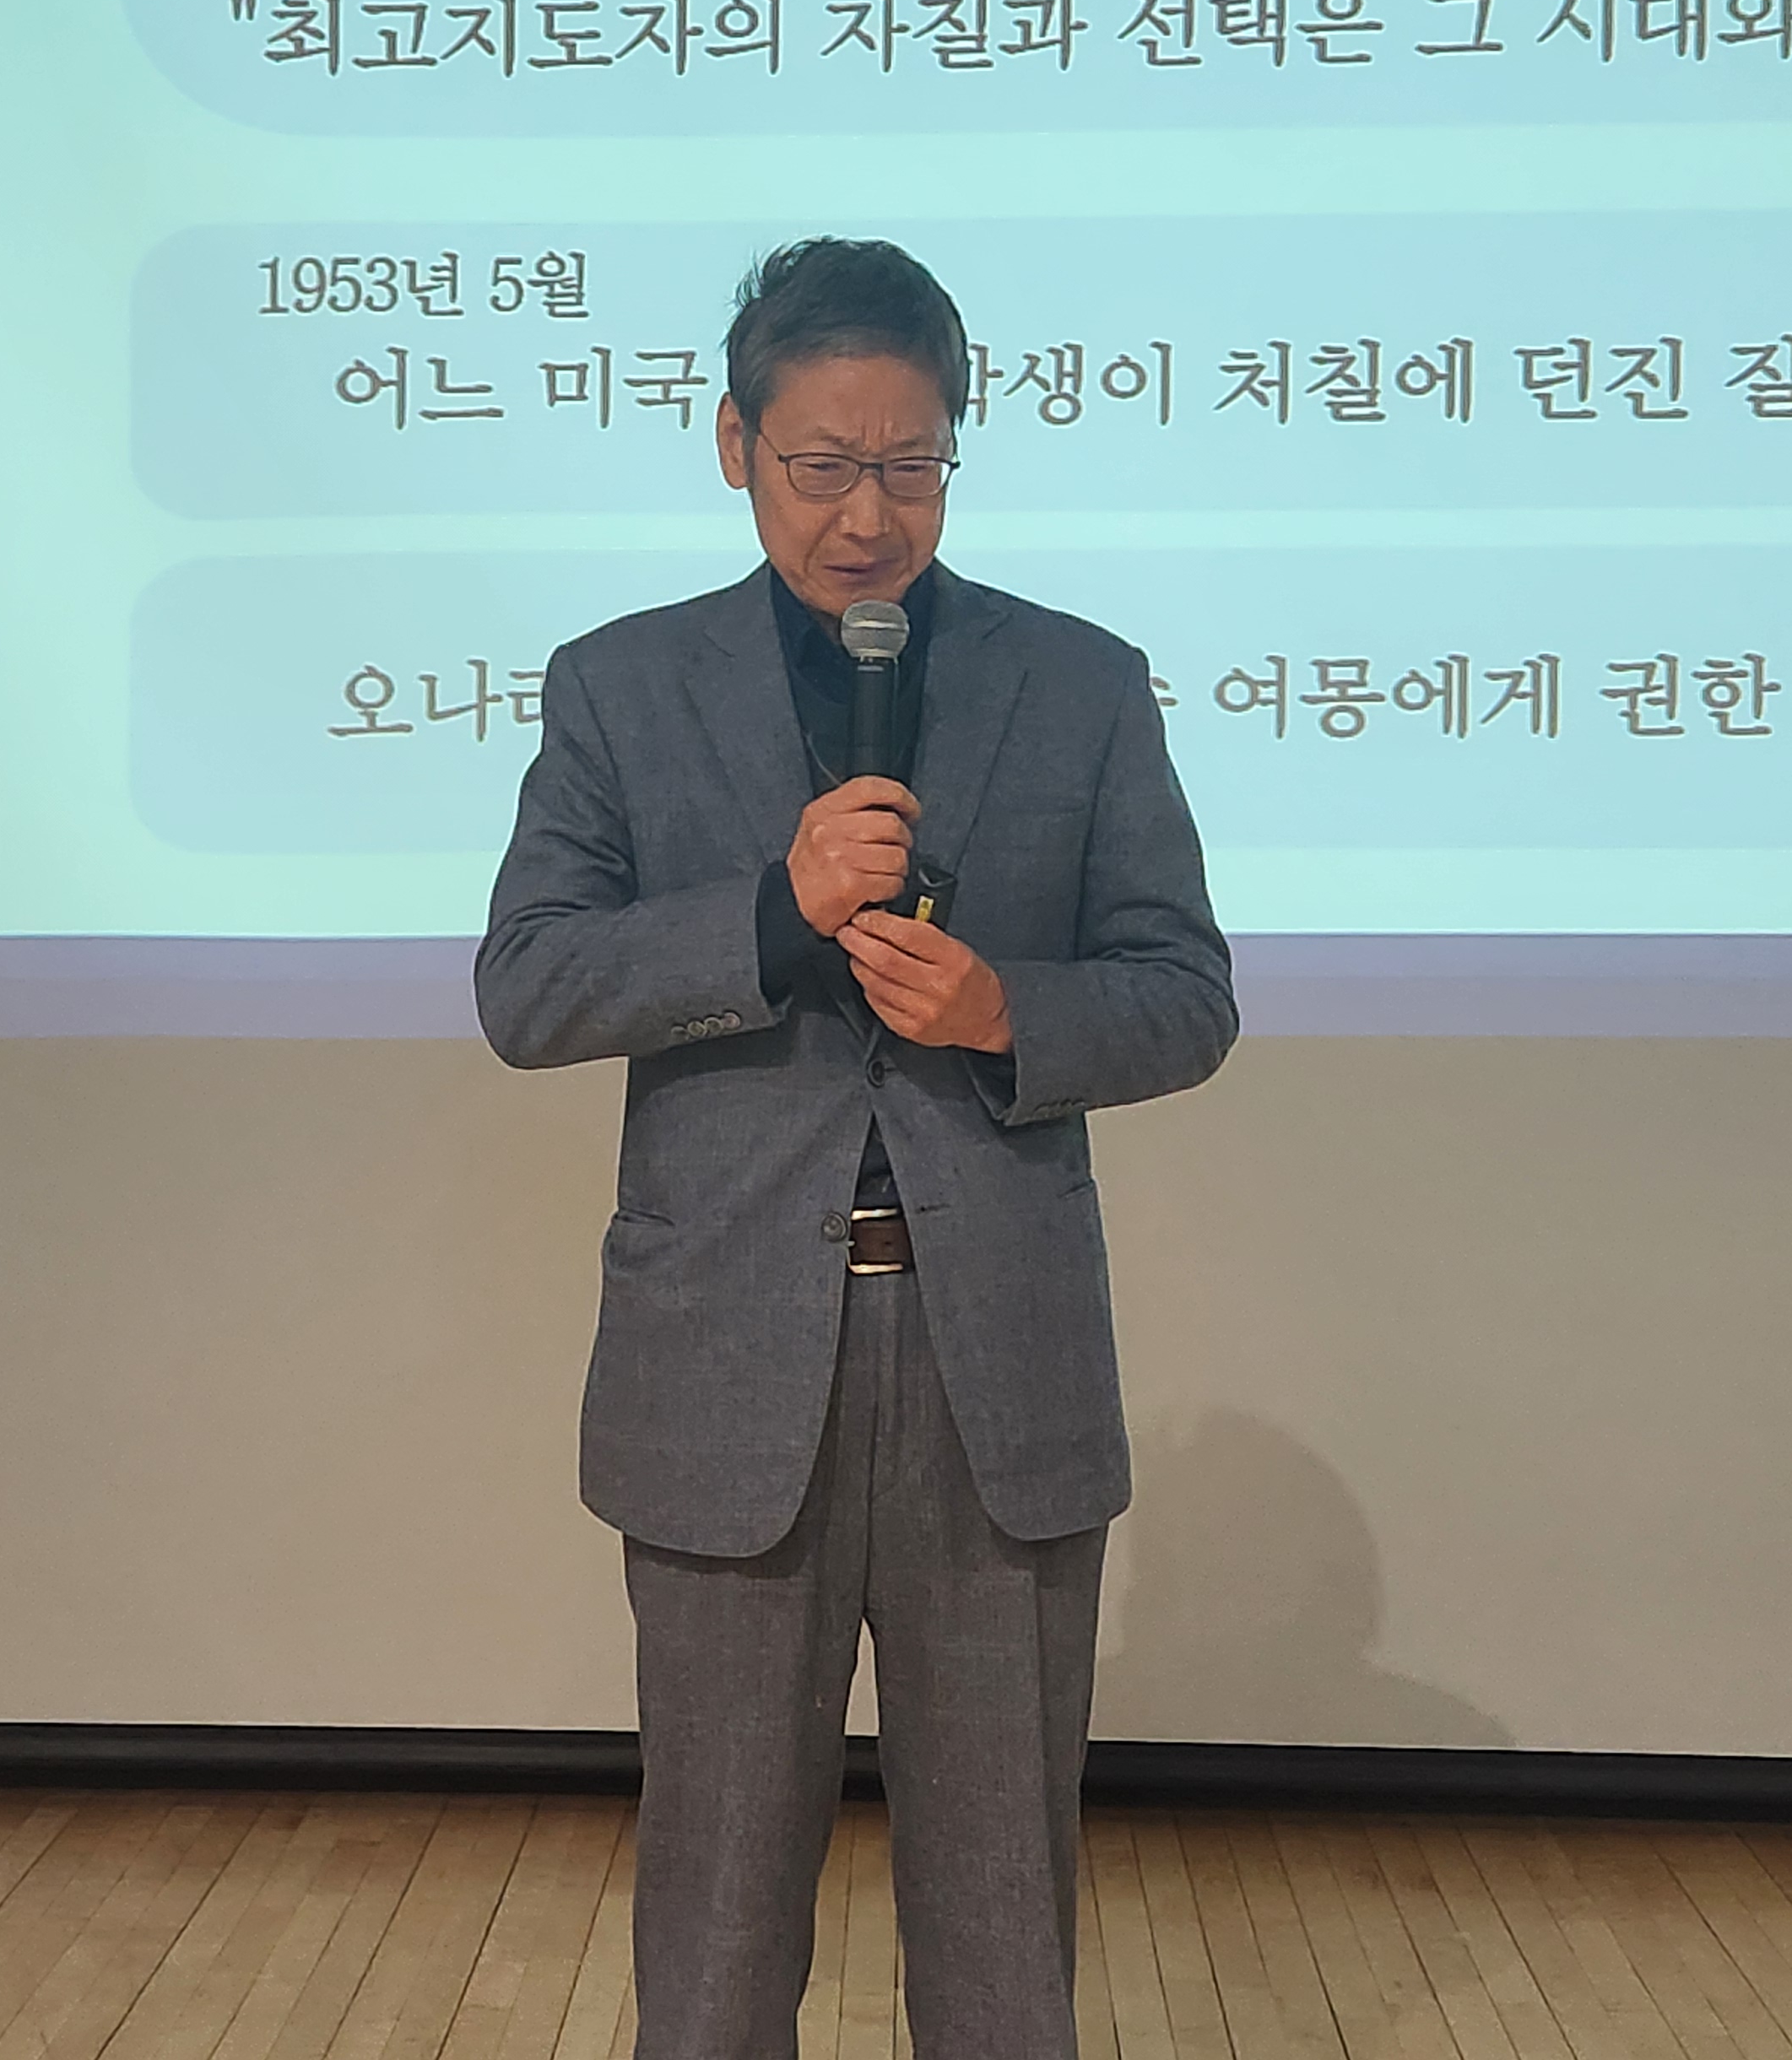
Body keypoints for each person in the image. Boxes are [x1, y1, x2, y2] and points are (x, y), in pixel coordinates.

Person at [475, 237, 1238, 2059]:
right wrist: (767, 913)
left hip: (998, 1374)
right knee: (718, 1921)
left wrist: (1003, 1012)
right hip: (727, 1365)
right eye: (822, 465)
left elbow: (1183, 995)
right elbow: (528, 987)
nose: (867, 516)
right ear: (733, 444)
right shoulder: (621, 687)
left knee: (1001, 1922)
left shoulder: (1078, 684)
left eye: (910, 465)